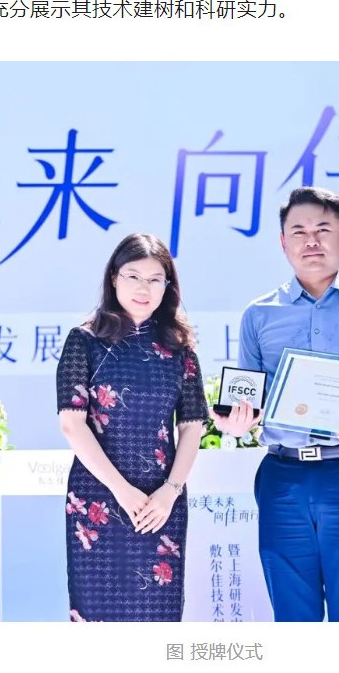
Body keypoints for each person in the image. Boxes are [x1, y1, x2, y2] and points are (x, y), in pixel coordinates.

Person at [213, 186, 339, 622]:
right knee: (292, 616)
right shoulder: (259, 314)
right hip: (282, 477)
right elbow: (247, 400)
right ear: (282, 242)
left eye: (323, 229)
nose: (311, 241)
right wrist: (235, 422)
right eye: (299, 231)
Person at [56, 233, 208, 621]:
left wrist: (170, 491)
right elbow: (72, 424)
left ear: (167, 286)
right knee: (98, 615)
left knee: (158, 617)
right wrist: (121, 490)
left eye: (155, 279)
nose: (144, 288)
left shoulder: (180, 346)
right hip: (99, 496)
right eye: (134, 277)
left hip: (161, 500)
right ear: (114, 278)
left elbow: (192, 426)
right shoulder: (84, 341)